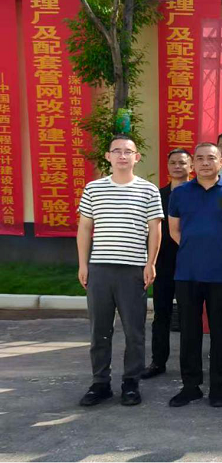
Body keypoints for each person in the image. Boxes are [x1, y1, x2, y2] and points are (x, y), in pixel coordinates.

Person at [77, 135, 164, 407]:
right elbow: (85, 228)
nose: (122, 156)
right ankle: (100, 383)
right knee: (99, 330)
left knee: (134, 331)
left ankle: (131, 383)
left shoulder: (148, 190)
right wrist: (83, 264)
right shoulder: (93, 189)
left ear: (137, 157)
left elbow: (155, 231)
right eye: (117, 151)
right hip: (100, 269)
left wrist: (150, 263)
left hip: (133, 270)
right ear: (108, 156)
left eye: (128, 151)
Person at [167, 143, 222, 408]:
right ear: (193, 164)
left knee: (220, 332)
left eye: (211, 158)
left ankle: (217, 386)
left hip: (221, 274)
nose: (205, 163)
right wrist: (192, 247)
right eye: (200, 158)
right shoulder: (180, 193)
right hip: (187, 273)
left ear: (220, 162)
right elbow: (174, 229)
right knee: (189, 332)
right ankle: (190, 386)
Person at [142, 148, 193, 380]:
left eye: (182, 163)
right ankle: (158, 361)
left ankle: (188, 364)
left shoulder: (198, 193)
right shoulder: (157, 195)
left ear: (191, 167)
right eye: (173, 163)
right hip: (163, 262)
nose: (178, 167)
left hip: (190, 261)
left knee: (188, 315)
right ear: (168, 166)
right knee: (161, 314)